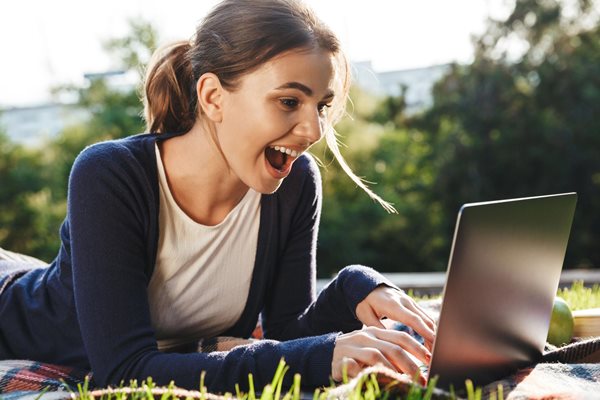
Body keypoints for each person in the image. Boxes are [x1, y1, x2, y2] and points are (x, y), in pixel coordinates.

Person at [0, 0, 436, 393]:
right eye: (288, 101)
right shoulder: (110, 175)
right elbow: (124, 371)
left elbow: (287, 335)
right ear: (212, 97)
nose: (314, 130)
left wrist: (352, 288)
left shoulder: (294, 183)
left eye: (320, 106)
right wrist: (321, 358)